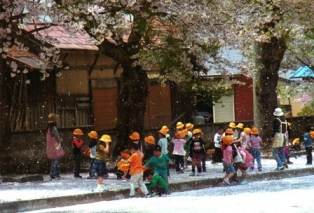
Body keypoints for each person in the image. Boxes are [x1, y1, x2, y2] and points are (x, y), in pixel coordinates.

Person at [46, 113, 65, 179]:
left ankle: (53, 173)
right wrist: (60, 140)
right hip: (55, 146)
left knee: (53, 160)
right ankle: (55, 173)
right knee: (56, 160)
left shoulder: (48, 128)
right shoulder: (53, 128)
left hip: (51, 147)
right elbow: (57, 136)